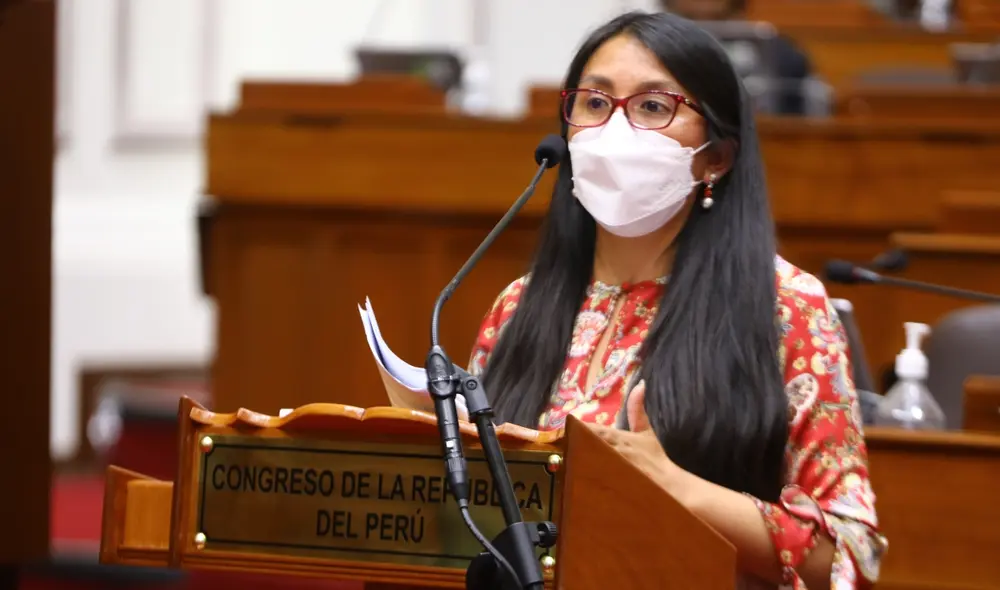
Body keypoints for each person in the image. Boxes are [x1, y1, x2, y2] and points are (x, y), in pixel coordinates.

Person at [467, 11, 886, 590]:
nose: (615, 130)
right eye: (594, 102)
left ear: (716, 156)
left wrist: (677, 488)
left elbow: (850, 557)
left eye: (653, 107)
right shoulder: (517, 306)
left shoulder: (784, 307)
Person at [659, 0, 814, 115]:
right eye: (688, 19)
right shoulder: (646, 52)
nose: (705, 33)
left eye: (719, 19)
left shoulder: (781, 56)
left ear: (740, 12)